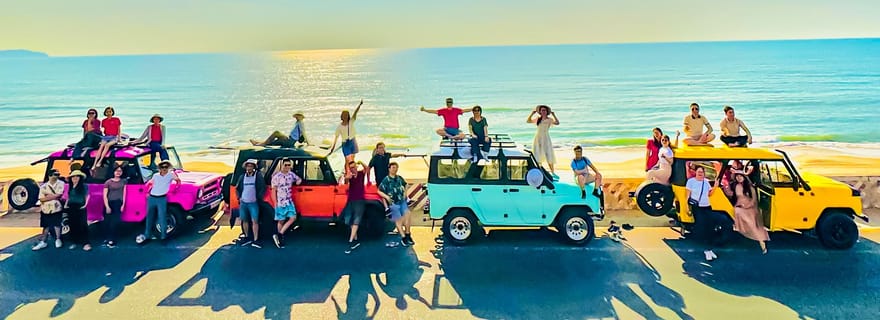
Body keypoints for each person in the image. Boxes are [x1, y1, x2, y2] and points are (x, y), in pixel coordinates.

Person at [722, 170, 769, 254]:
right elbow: (731, 194)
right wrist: (725, 186)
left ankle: (762, 243)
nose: (739, 178)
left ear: (744, 177)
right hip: (739, 206)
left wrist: (747, 206)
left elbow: (754, 200)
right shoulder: (735, 185)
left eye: (740, 176)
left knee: (752, 224)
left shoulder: (750, 187)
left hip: (749, 207)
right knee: (738, 212)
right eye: (737, 176)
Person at [136, 160, 181, 245]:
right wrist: (147, 192)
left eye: (166, 167)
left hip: (162, 198)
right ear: (159, 168)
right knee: (149, 217)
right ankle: (147, 235)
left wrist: (175, 188)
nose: (164, 169)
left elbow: (178, 180)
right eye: (162, 167)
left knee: (162, 217)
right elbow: (150, 183)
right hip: (152, 198)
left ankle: (163, 237)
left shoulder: (170, 175)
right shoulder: (155, 175)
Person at [686, 166, 725, 261]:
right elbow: (687, 196)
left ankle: (709, 249)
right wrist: (687, 208)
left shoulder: (706, 182)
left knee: (710, 228)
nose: (700, 174)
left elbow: (709, 194)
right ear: (695, 172)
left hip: (707, 207)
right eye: (699, 172)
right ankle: (706, 250)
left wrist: (715, 186)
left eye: (702, 172)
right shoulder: (691, 182)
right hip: (697, 208)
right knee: (702, 229)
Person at [378, 162, 414, 247]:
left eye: (396, 167)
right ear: (389, 169)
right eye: (393, 167)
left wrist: (405, 193)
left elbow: (406, 184)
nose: (395, 169)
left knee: (408, 216)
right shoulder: (386, 180)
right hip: (393, 203)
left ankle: (408, 234)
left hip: (402, 201)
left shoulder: (399, 178)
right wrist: (386, 197)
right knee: (399, 220)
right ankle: (403, 237)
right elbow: (379, 191)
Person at [271, 158, 302, 249]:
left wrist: (298, 181)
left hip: (289, 201)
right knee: (281, 220)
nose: (287, 167)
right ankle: (280, 240)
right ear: (282, 165)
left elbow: (298, 179)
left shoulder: (291, 174)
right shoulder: (276, 177)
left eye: (289, 165)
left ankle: (279, 234)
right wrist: (275, 203)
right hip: (280, 201)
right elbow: (273, 191)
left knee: (293, 217)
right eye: (286, 165)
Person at [236, 159, 266, 248]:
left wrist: (259, 197)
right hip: (243, 203)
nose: (249, 168)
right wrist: (239, 198)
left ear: (254, 167)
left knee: (255, 221)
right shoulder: (242, 177)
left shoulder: (258, 176)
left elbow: (262, 187)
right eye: (248, 166)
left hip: (253, 203)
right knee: (244, 220)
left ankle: (256, 239)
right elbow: (237, 188)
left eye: (251, 166)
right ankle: (246, 237)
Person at [32, 169, 65, 251]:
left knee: (57, 224)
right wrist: (53, 196)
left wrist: (48, 196)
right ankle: (43, 241)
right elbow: (41, 198)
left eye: (58, 174)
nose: (57, 176)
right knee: (45, 226)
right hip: (45, 209)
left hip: (56, 208)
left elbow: (59, 194)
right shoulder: (43, 186)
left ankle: (58, 239)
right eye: (55, 174)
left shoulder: (61, 183)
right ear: (50, 175)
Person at [528, 105, 560, 178]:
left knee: (549, 154)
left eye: (544, 110)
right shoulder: (538, 119)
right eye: (542, 110)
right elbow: (528, 121)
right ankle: (540, 171)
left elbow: (557, 123)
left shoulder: (549, 120)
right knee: (538, 153)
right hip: (538, 138)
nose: (543, 112)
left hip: (546, 138)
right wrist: (532, 114)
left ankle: (553, 172)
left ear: (547, 111)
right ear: (540, 112)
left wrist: (554, 115)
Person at [343, 160, 368, 254]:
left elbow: (367, 168)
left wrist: (361, 162)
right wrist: (347, 178)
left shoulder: (361, 174)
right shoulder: (350, 176)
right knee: (348, 219)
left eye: (354, 167)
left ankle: (350, 241)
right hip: (351, 200)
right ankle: (355, 238)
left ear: (356, 167)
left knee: (356, 220)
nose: (353, 169)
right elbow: (345, 182)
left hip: (360, 200)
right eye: (351, 168)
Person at [65, 170, 91, 251]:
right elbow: (69, 196)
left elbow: (87, 195)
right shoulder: (70, 186)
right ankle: (74, 241)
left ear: (80, 178)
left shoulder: (84, 186)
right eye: (73, 176)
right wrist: (66, 205)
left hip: (80, 206)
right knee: (72, 224)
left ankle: (86, 243)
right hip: (71, 206)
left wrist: (85, 205)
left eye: (77, 176)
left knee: (83, 224)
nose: (75, 178)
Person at [102, 165, 126, 248]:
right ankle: (107, 238)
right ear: (113, 172)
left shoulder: (123, 181)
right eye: (117, 171)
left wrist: (123, 204)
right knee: (107, 222)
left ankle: (112, 239)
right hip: (109, 203)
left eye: (120, 171)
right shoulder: (108, 182)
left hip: (118, 203)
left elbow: (124, 193)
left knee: (115, 222)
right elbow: (105, 195)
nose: (118, 172)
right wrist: (107, 206)